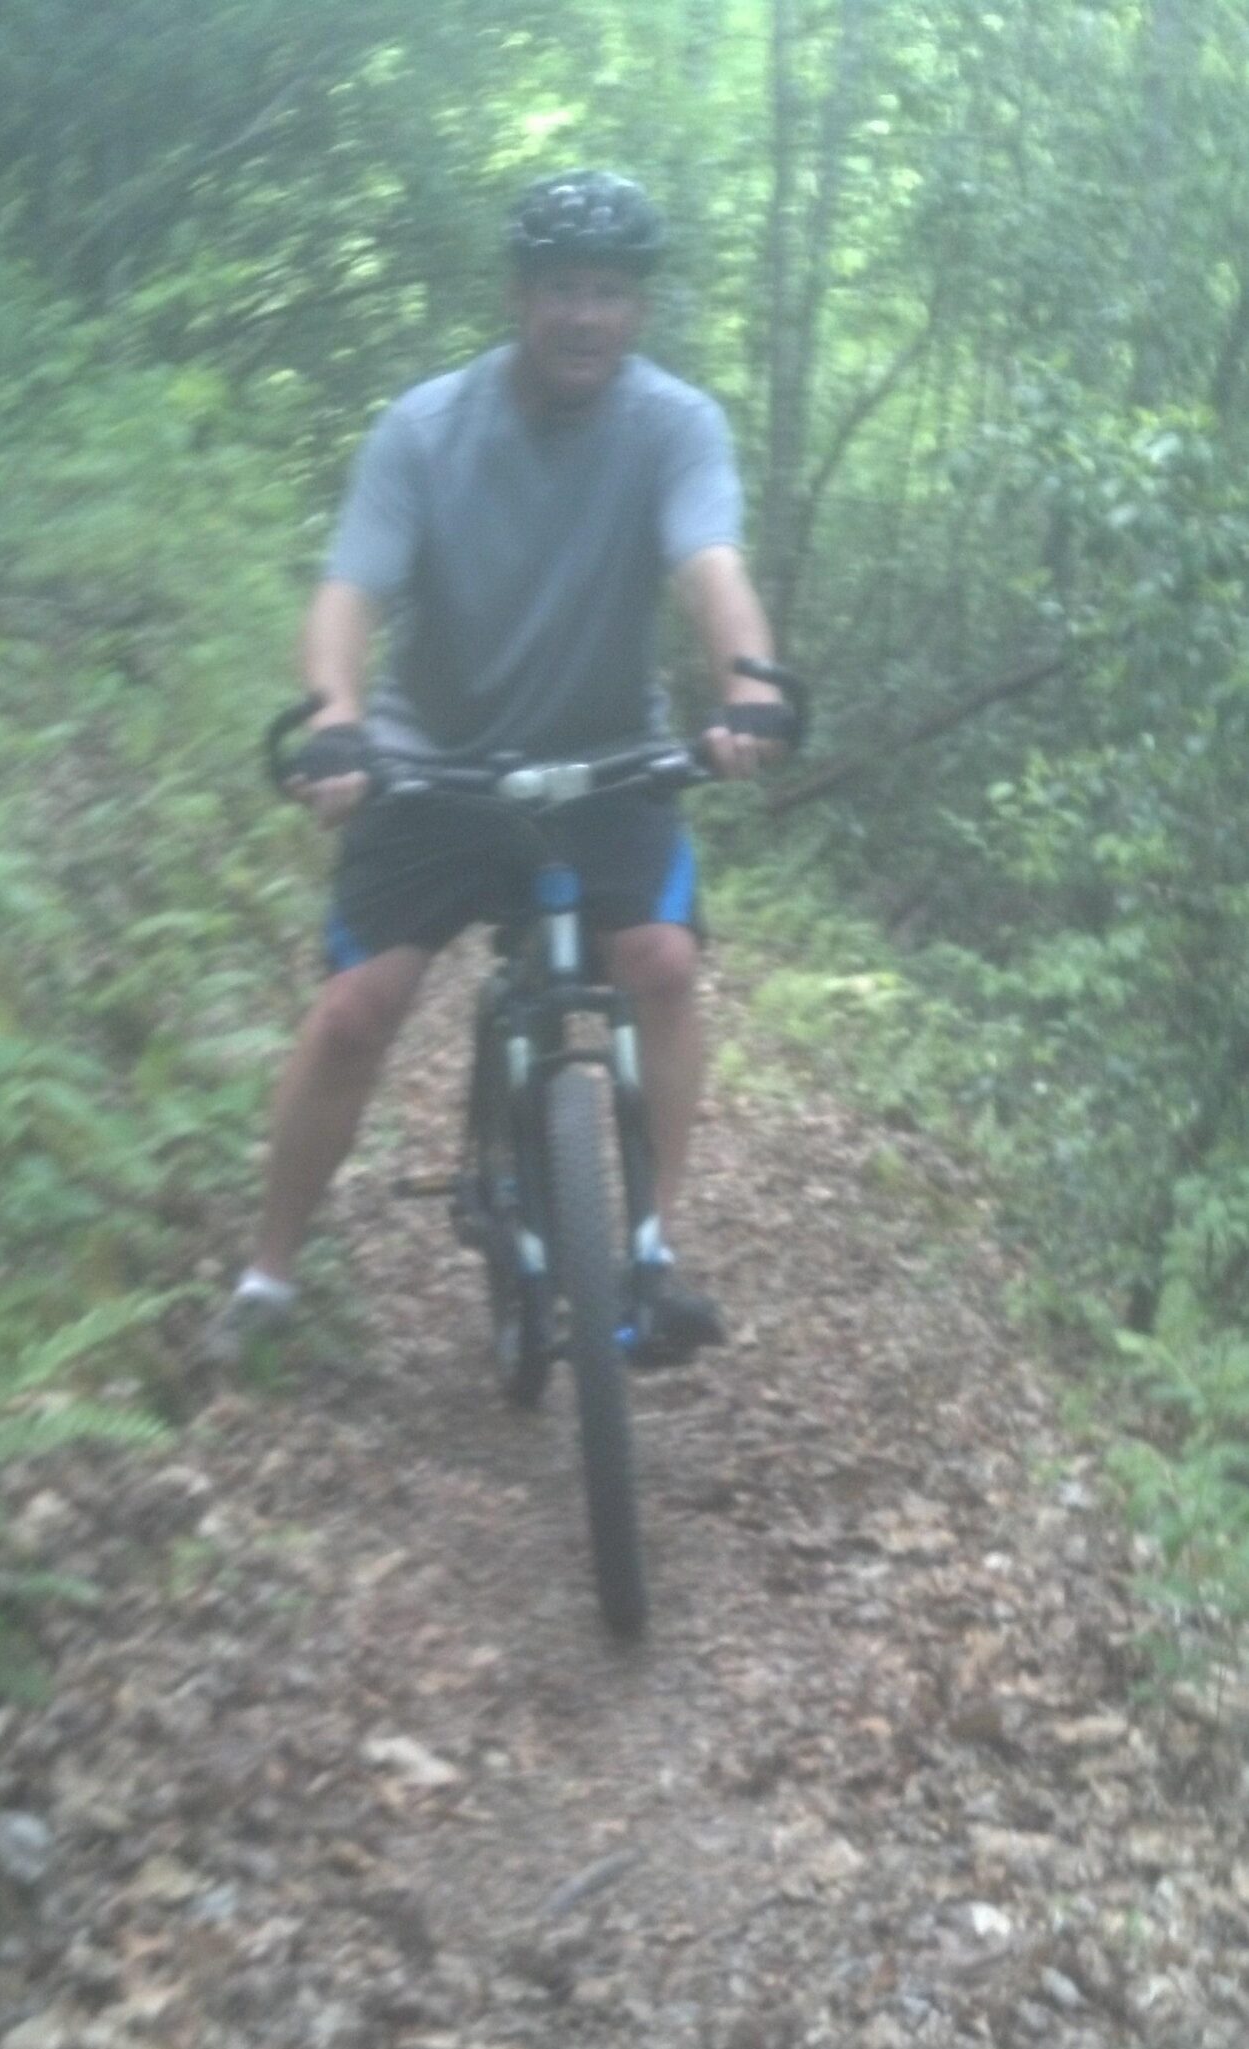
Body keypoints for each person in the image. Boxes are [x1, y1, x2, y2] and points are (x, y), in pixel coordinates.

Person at [211, 168, 792, 1362]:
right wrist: (335, 716)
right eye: (564, 288)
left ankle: (648, 1250)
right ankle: (268, 1276)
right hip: (438, 758)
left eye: (612, 292)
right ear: (521, 295)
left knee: (665, 967)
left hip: (608, 756)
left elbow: (709, 569)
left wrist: (749, 685)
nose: (587, 314)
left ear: (637, 309)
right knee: (353, 1015)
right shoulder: (427, 428)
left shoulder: (674, 424)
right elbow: (350, 593)